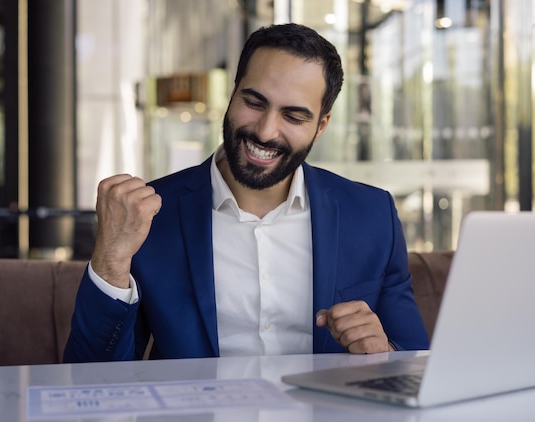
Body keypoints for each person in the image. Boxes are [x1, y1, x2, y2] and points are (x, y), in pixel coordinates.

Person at [63, 23, 429, 363]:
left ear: (321, 126)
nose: (267, 131)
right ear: (232, 93)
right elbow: (89, 378)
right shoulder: (150, 215)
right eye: (254, 102)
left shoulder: (371, 214)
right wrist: (110, 260)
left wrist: (384, 349)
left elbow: (414, 361)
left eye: (294, 116)